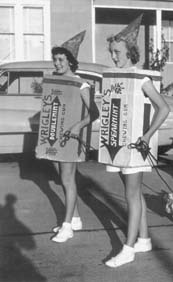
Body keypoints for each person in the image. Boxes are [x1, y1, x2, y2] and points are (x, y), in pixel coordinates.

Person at [103, 15, 170, 268]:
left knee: (130, 194)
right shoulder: (117, 77)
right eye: (111, 52)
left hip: (135, 147)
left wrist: (147, 135)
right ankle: (143, 239)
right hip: (119, 145)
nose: (113, 57)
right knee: (134, 192)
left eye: (117, 52)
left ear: (130, 52)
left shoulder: (141, 78)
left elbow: (163, 109)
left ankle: (128, 248)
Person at [47, 31, 99, 242]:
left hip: (71, 138)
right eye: (55, 59)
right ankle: (75, 218)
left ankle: (67, 226)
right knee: (63, 178)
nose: (57, 63)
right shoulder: (56, 81)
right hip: (56, 136)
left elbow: (94, 112)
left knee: (68, 179)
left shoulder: (80, 83)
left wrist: (79, 125)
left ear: (70, 61)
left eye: (61, 59)